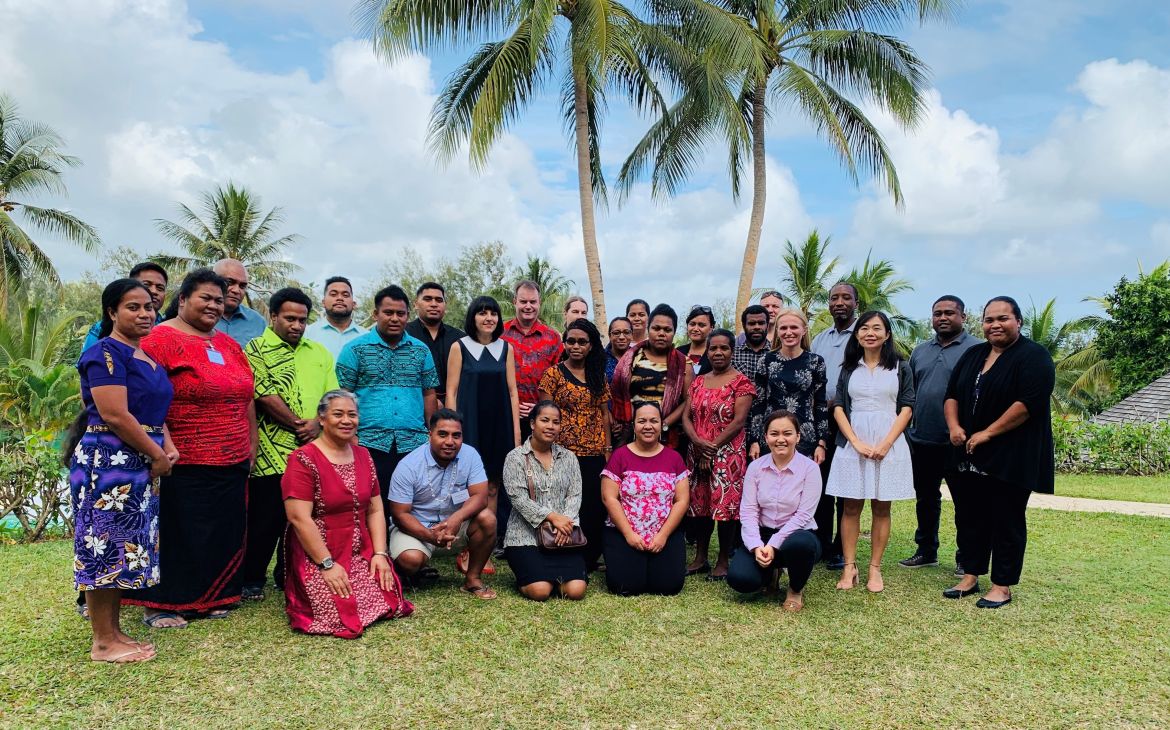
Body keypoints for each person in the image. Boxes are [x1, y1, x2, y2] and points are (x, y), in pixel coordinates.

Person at [127, 268, 256, 627]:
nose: (214, 305)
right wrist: (158, 448)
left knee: (220, 531)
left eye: (219, 299)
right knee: (179, 532)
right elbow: (146, 399)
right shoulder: (159, 340)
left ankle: (212, 596)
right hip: (180, 457)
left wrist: (251, 446)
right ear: (182, 300)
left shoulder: (229, 346)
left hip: (231, 457)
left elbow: (247, 398)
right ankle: (164, 605)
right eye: (206, 298)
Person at [66, 279, 176, 662]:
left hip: (137, 460)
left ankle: (113, 631)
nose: (145, 314)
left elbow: (153, 411)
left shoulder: (146, 358)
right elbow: (114, 414)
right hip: (108, 460)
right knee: (101, 547)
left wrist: (168, 444)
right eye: (133, 307)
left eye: (149, 307)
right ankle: (102, 642)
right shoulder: (105, 354)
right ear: (112, 312)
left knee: (121, 547)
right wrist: (157, 455)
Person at [943, 296, 1055, 608]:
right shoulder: (974, 354)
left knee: (1006, 519)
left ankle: (1002, 585)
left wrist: (988, 433)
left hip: (1012, 456)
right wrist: (954, 427)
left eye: (1003, 319)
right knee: (969, 517)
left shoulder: (1034, 357)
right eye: (989, 320)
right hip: (968, 454)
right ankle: (971, 575)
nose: (995, 325)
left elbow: (1027, 405)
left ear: (1018, 321)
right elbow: (952, 394)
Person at [282, 390, 414, 638]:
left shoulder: (364, 455)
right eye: (338, 414)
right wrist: (327, 565)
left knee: (389, 600)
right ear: (321, 419)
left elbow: (375, 509)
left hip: (359, 548)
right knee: (334, 611)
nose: (346, 420)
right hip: (319, 552)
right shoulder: (302, 459)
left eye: (352, 415)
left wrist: (380, 554)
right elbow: (299, 518)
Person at [241, 287, 339, 601]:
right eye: (289, 318)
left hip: (312, 451)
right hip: (271, 451)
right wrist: (301, 424)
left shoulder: (319, 353)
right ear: (273, 317)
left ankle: (288, 577)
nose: (296, 325)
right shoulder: (254, 349)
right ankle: (252, 579)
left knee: (302, 520)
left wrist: (317, 422)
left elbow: (331, 396)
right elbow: (265, 394)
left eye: (301, 320)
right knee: (264, 520)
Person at [825, 311, 915, 593]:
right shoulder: (850, 367)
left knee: (881, 506)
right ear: (857, 334)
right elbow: (839, 406)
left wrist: (886, 443)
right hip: (854, 441)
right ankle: (850, 567)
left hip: (889, 441)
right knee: (850, 506)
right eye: (864, 328)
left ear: (887, 334)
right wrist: (855, 441)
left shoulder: (901, 367)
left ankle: (875, 568)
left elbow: (907, 406)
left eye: (877, 328)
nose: (870, 333)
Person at [335, 285, 438, 510]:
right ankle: (376, 546)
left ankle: (406, 545)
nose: (394, 318)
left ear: (407, 316)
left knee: (410, 504)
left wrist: (431, 433)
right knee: (370, 503)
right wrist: (350, 437)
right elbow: (343, 396)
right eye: (388, 312)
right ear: (375, 314)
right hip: (368, 441)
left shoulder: (421, 351)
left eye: (400, 314)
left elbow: (429, 393)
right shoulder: (355, 350)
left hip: (413, 442)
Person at [900, 295, 977, 571]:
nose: (942, 318)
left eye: (949, 313)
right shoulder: (920, 350)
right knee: (926, 499)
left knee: (965, 501)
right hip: (922, 438)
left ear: (963, 317)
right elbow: (911, 391)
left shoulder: (977, 350)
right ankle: (926, 550)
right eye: (937, 314)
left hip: (958, 440)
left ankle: (965, 557)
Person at [388, 410, 498, 599]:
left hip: (454, 527)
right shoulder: (409, 465)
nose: (450, 441)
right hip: (417, 529)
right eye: (442, 434)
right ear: (429, 435)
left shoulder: (470, 455)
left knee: (487, 519)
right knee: (410, 561)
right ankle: (405, 572)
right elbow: (400, 515)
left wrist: (457, 518)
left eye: (456, 435)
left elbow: (480, 496)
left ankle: (472, 579)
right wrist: (431, 536)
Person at [446, 295, 520, 567]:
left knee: (492, 487)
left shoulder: (506, 349)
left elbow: (513, 393)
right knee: (467, 486)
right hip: (470, 424)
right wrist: (454, 431)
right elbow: (451, 391)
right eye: (482, 313)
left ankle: (485, 548)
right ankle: (465, 545)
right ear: (473, 317)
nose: (489, 318)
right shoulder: (459, 347)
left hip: (499, 424)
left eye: (493, 313)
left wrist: (515, 436)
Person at [728, 411, 822, 612]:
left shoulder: (810, 469)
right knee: (741, 580)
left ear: (797, 437)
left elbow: (804, 515)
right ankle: (771, 573)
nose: (781, 439)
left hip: (797, 535)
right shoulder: (755, 467)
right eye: (774, 434)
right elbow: (748, 511)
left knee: (801, 545)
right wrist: (755, 545)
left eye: (787, 433)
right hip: (762, 534)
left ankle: (795, 589)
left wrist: (774, 544)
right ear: (766, 437)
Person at [538, 318, 612, 572]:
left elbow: (604, 414)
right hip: (562, 452)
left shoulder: (597, 376)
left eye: (582, 342)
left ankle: (589, 557)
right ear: (564, 343)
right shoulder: (553, 375)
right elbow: (545, 414)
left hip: (593, 451)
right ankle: (562, 551)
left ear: (591, 345)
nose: (576, 346)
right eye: (571, 341)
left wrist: (607, 450)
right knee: (563, 503)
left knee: (592, 505)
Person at [681, 329, 755, 581]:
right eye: (713, 348)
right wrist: (698, 444)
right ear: (707, 351)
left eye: (724, 348)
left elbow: (738, 421)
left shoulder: (741, 382)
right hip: (697, 450)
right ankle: (701, 557)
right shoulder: (699, 381)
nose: (718, 352)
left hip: (727, 454)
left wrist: (710, 447)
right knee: (699, 505)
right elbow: (686, 416)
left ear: (732, 351)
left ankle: (723, 559)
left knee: (725, 507)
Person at [501, 402, 588, 601]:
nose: (550, 426)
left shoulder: (569, 458)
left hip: (562, 537)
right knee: (540, 591)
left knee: (575, 591)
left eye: (556, 422)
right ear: (532, 423)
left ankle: (552, 578)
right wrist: (552, 517)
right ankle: (534, 578)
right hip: (525, 537)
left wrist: (566, 524)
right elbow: (518, 499)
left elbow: (575, 495)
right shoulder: (515, 458)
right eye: (545, 420)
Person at [601, 402, 690, 596]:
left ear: (661, 425)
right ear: (634, 425)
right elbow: (609, 498)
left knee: (668, 587)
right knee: (625, 587)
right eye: (641, 421)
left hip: (663, 533)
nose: (648, 426)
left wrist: (663, 535)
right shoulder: (620, 456)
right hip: (625, 533)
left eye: (653, 421)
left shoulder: (674, 458)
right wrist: (629, 534)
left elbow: (682, 500)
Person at [810, 281, 859, 569]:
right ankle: (820, 543)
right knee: (821, 483)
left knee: (845, 485)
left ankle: (840, 548)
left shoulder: (862, 335)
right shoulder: (820, 339)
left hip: (851, 420)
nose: (839, 302)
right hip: (821, 420)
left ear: (855, 303)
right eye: (834, 298)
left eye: (846, 298)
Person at [747, 308, 829, 464]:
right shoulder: (766, 361)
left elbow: (820, 404)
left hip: (805, 436)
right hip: (772, 436)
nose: (788, 332)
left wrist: (821, 443)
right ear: (777, 331)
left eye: (794, 327)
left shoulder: (816, 362)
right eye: (783, 328)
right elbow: (758, 403)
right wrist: (754, 440)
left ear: (804, 330)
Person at [610, 303, 690, 448]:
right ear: (648, 329)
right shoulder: (631, 358)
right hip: (631, 434)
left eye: (667, 330)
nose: (661, 333)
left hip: (666, 437)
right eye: (656, 328)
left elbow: (688, 401)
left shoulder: (684, 364)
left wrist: (663, 424)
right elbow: (620, 393)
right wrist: (634, 423)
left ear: (674, 332)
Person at [501, 280, 563, 440]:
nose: (528, 306)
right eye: (523, 301)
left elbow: (560, 381)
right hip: (504, 414)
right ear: (515, 302)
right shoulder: (500, 334)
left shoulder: (553, 338)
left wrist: (541, 407)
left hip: (542, 420)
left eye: (533, 302)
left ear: (539, 303)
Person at [80, 263, 168, 355]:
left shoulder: (169, 328)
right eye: (146, 285)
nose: (154, 291)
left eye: (160, 288)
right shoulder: (100, 329)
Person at [406, 282, 465, 404]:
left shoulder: (460, 338)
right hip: (414, 406)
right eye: (428, 299)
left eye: (439, 300)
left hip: (454, 406)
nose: (434, 304)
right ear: (416, 304)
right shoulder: (404, 335)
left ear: (445, 305)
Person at [304, 276, 366, 359]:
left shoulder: (366, 337)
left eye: (345, 295)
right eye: (333, 294)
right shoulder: (307, 334)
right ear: (323, 302)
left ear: (354, 304)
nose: (339, 298)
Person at [211, 258, 266, 345]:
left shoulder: (258, 322)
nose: (236, 290)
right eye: (230, 282)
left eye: (242, 286)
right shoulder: (198, 317)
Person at [731, 305, 770, 382]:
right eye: (752, 323)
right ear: (744, 326)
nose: (756, 327)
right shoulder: (732, 355)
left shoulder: (777, 354)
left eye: (761, 323)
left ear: (767, 325)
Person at [677, 305, 715, 377]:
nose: (695, 329)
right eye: (692, 324)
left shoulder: (715, 355)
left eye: (701, 325)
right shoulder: (678, 353)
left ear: (711, 328)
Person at [605, 316, 634, 384]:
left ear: (632, 335)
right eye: (616, 333)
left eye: (626, 332)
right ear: (609, 336)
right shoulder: (599, 359)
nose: (621, 337)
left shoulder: (639, 357)